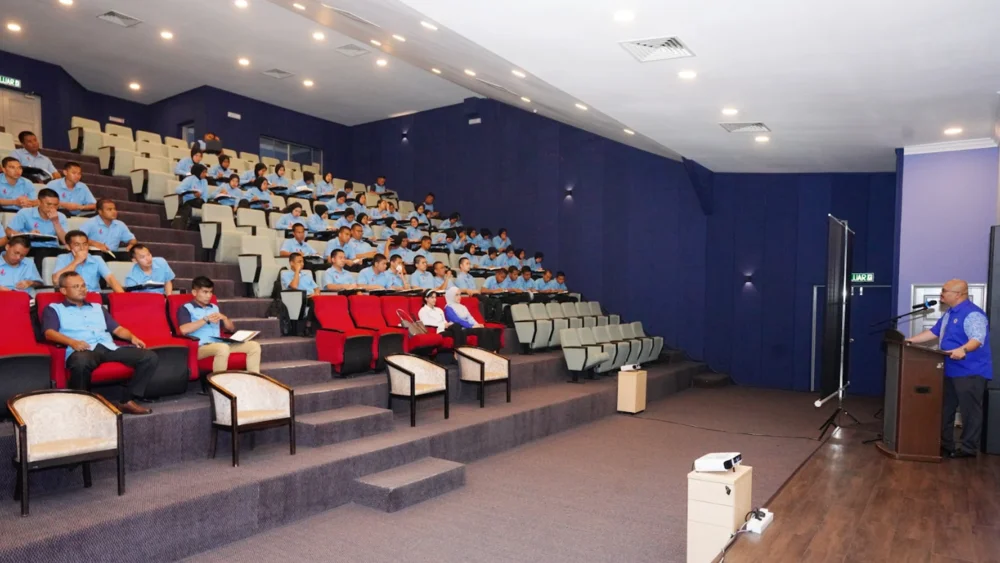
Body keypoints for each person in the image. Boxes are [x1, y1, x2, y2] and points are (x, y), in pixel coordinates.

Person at [43, 271, 155, 415]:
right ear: (63, 290)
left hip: (108, 347)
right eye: (76, 286)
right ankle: (81, 407)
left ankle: (126, 400)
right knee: (81, 362)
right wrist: (72, 342)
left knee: (149, 357)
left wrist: (132, 337)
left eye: (83, 285)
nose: (82, 289)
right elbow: (49, 333)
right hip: (83, 349)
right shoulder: (54, 309)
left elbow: (117, 329)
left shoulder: (97, 307)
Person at [907, 279, 993, 458]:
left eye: (945, 291)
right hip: (949, 369)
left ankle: (968, 449)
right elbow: (934, 332)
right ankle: (946, 444)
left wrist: (963, 349)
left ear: (958, 294)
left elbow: (977, 339)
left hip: (970, 371)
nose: (941, 294)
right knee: (946, 408)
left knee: (970, 412)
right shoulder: (949, 313)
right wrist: (909, 341)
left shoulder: (973, 314)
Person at [177, 276, 262, 373]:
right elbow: (183, 330)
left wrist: (224, 318)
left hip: (219, 343)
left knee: (254, 346)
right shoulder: (186, 308)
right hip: (200, 347)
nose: (209, 296)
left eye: (210, 292)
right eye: (205, 292)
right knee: (222, 348)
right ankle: (218, 382)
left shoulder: (214, 308)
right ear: (194, 292)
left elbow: (231, 328)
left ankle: (254, 378)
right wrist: (205, 319)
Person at [52, 230, 124, 292]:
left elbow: (111, 279)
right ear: (68, 247)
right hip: (72, 297)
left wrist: (124, 298)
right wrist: (76, 261)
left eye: (85, 244)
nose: (82, 248)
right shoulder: (62, 258)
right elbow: (56, 280)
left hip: (93, 296)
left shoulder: (97, 259)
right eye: (77, 245)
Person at [443, 287, 501, 351]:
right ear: (451, 296)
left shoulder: (462, 307)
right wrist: (471, 326)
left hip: (469, 327)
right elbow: (457, 320)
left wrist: (477, 324)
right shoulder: (448, 308)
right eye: (456, 295)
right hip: (462, 329)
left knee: (492, 330)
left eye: (460, 294)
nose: (459, 297)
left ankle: (494, 352)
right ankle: (484, 352)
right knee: (483, 331)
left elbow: (470, 317)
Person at [172, 163, 208, 229]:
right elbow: (178, 190)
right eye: (203, 172)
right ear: (198, 171)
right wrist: (192, 194)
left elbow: (205, 196)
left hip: (200, 202)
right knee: (192, 203)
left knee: (207, 204)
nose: (205, 174)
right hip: (189, 201)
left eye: (206, 172)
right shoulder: (189, 179)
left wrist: (202, 199)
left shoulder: (205, 181)